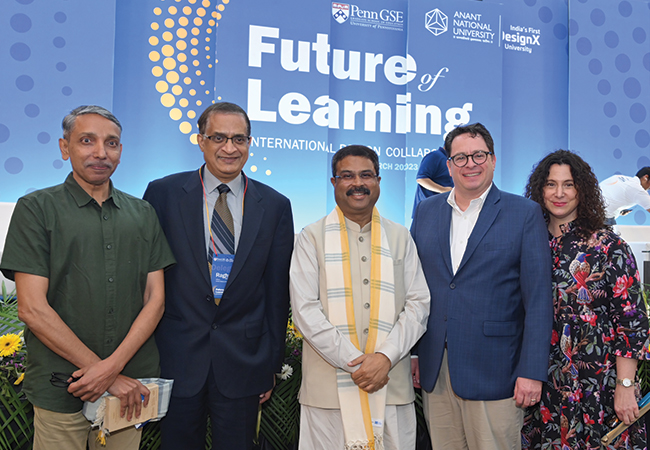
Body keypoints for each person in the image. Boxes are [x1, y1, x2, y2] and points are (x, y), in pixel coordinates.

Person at [0, 105, 175, 450]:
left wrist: (113, 370)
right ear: (65, 148)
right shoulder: (36, 209)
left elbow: (155, 300)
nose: (100, 152)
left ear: (121, 152)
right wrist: (106, 373)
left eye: (111, 143)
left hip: (130, 388)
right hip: (61, 383)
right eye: (86, 141)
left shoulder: (142, 214)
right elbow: (32, 309)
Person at [143, 102, 294, 450]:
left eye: (239, 138)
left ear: (250, 142)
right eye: (219, 137)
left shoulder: (275, 205)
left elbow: (276, 293)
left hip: (244, 362)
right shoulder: (162, 194)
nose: (230, 148)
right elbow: (145, 281)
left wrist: (270, 364)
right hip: (176, 358)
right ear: (200, 140)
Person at [410, 122, 553, 450]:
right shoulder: (427, 212)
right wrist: (416, 354)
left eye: (478, 155)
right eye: (460, 158)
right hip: (437, 371)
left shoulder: (524, 213)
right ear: (448, 165)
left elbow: (538, 300)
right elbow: (416, 288)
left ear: (493, 160)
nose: (470, 164)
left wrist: (532, 372)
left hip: (496, 372)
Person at [290, 145, 430, 450]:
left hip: (391, 385)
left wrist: (385, 358)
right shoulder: (310, 238)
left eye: (366, 175)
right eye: (347, 176)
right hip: (327, 392)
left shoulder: (400, 237)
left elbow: (419, 304)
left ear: (378, 181)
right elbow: (304, 310)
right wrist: (356, 364)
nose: (358, 183)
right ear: (333, 182)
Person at [521, 150, 650, 449]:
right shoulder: (528, 241)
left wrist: (625, 385)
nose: (559, 193)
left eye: (569, 184)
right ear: (540, 190)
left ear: (583, 189)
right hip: (542, 384)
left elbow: (631, 322)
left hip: (599, 385)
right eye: (551, 184)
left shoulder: (608, 245)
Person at [411, 146, 453, 217]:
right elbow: (421, 179)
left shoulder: (450, 160)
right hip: (427, 211)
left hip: (441, 211)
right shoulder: (435, 156)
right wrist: (443, 189)